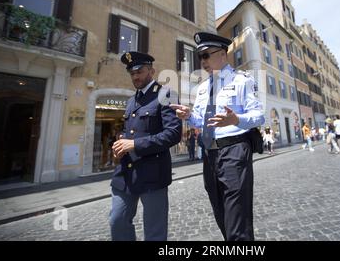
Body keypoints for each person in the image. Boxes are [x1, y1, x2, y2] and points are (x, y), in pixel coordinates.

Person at [170, 32, 265, 241]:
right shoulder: (203, 88)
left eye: (206, 55)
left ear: (222, 54)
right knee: (221, 213)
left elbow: (259, 116)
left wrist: (236, 120)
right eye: (200, 57)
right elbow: (202, 121)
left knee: (236, 218)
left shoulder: (241, 80)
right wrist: (189, 116)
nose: (202, 61)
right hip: (210, 155)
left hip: (234, 150)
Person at [109, 51, 182, 241]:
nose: (135, 77)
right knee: (117, 220)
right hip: (125, 173)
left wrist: (134, 144)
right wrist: (119, 144)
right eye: (132, 73)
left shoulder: (166, 94)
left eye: (139, 71)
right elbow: (130, 131)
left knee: (154, 232)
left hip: (152, 174)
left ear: (151, 70)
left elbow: (173, 134)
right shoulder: (132, 100)